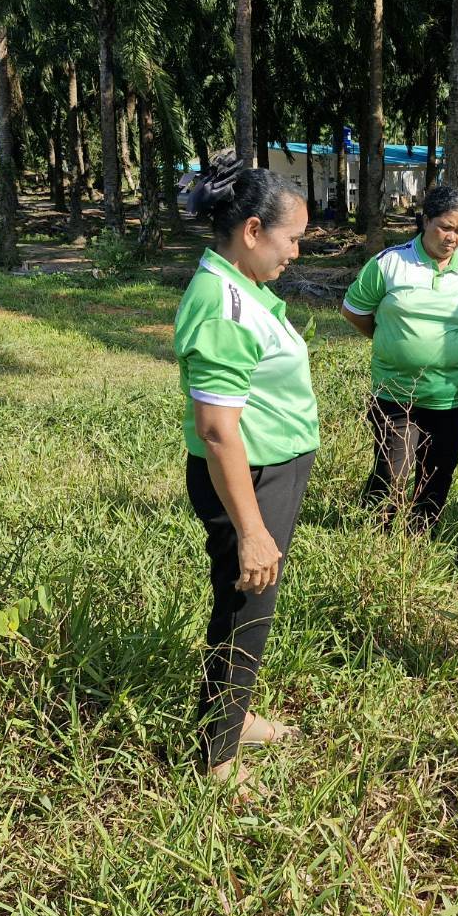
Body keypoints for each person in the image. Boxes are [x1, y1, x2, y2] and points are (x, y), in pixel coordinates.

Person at [173, 158, 319, 798]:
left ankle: (233, 716)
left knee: (251, 604)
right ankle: (217, 758)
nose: (295, 252)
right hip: (247, 481)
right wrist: (252, 530)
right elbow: (216, 430)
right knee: (244, 607)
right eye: (292, 239)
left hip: (269, 472)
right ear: (254, 230)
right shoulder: (224, 304)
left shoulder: (244, 286)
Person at [341, 185, 458, 532]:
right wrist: (391, 343)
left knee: (438, 472)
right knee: (391, 472)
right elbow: (354, 311)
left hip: (452, 395)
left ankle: (420, 536)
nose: (452, 237)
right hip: (395, 392)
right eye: (445, 227)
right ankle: (375, 537)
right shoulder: (389, 263)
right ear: (425, 221)